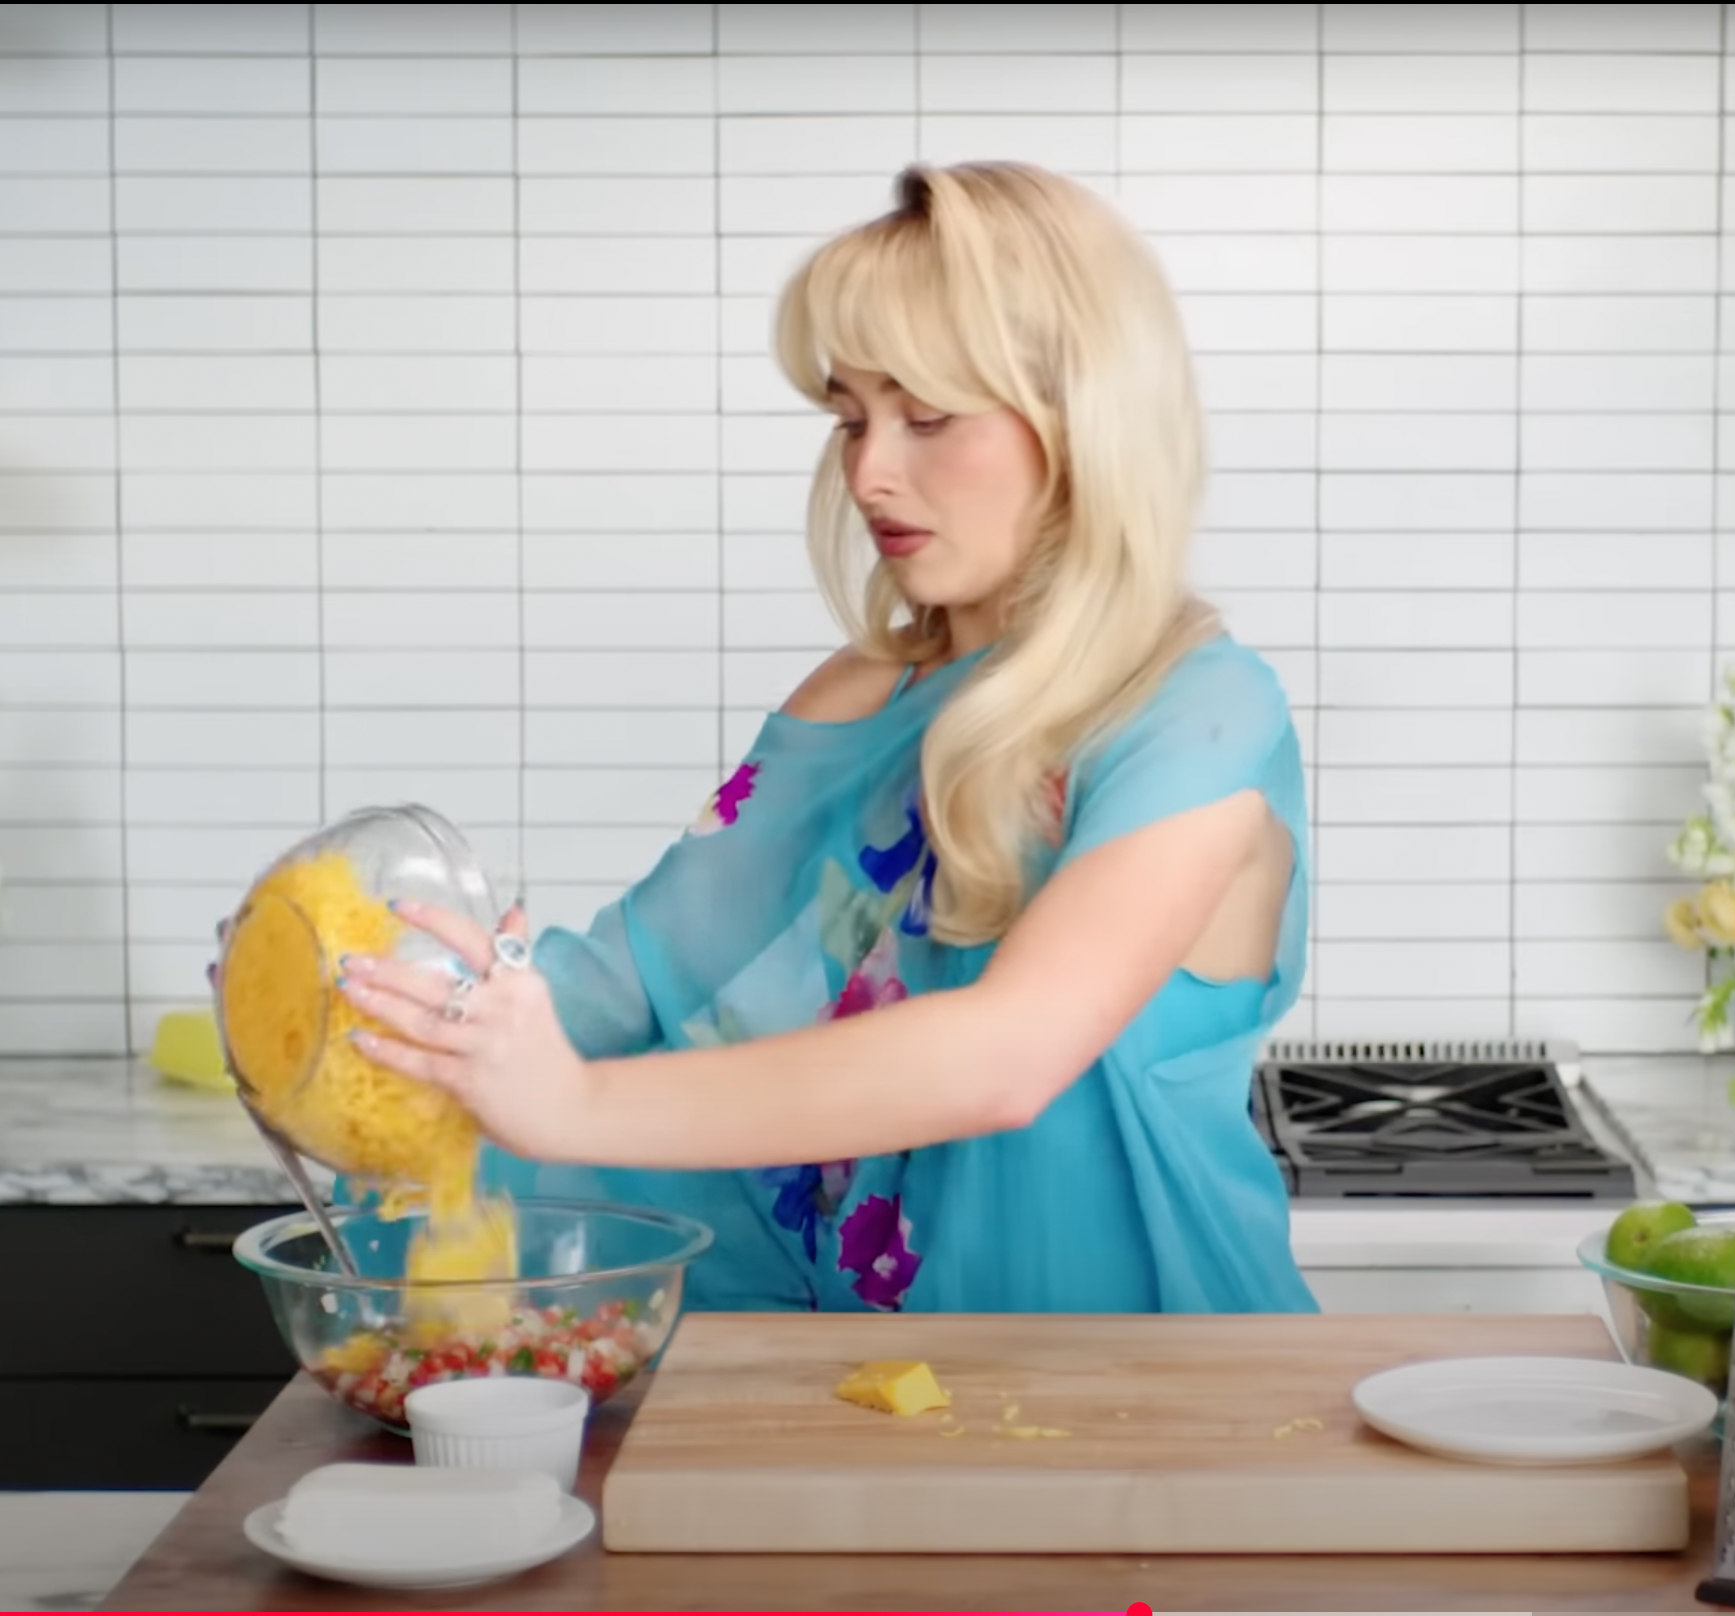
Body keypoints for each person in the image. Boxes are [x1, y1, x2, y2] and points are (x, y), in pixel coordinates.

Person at [331, 161, 1319, 1316]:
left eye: (927, 416)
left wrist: (572, 1109)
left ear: (1083, 416)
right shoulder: (860, 691)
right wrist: (389, 1004)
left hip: (1153, 1399)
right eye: (850, 418)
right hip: (869, 1391)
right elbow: (630, 977)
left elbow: (1010, 1052)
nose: (867, 471)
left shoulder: (1197, 710)